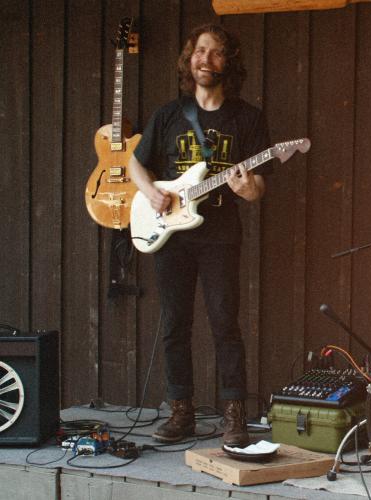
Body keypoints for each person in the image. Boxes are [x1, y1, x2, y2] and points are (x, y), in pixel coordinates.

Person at [129, 24, 270, 447]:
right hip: (172, 235)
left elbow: (258, 184)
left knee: (225, 325)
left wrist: (249, 189)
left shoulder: (247, 118)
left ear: (229, 63)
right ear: (189, 59)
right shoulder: (169, 114)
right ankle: (181, 412)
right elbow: (137, 163)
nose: (205, 59)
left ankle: (234, 416)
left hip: (221, 238)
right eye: (199, 51)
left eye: (216, 53)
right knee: (175, 324)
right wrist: (151, 190)